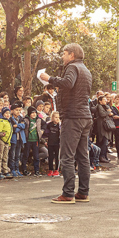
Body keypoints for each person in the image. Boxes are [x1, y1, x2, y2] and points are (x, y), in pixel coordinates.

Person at [40, 43, 93, 204]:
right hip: (85, 116)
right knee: (83, 156)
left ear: (72, 55)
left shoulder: (72, 67)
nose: (62, 56)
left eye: (64, 53)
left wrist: (49, 79)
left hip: (73, 116)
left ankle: (68, 193)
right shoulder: (86, 70)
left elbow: (68, 83)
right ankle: (83, 192)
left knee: (67, 156)